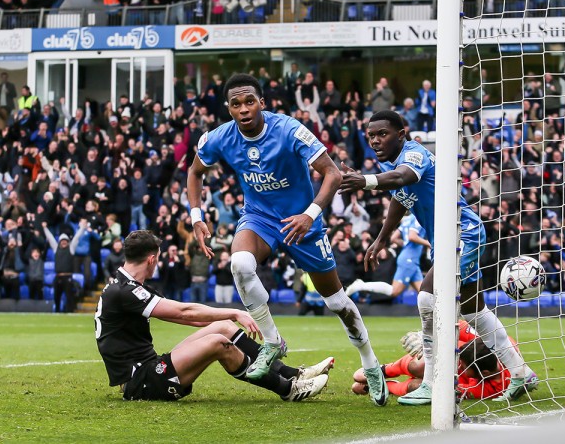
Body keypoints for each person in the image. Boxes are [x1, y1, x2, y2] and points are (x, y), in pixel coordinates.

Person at [187, 73, 389, 406]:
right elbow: (195, 172)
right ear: (228, 108)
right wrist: (196, 217)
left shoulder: (289, 129)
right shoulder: (218, 138)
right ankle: (272, 341)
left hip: (303, 222)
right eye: (236, 104)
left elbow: (333, 173)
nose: (243, 109)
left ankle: (370, 363)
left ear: (261, 103)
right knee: (239, 262)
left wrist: (310, 214)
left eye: (249, 101)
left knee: (337, 303)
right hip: (259, 219)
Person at [340, 110, 535, 404]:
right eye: (371, 136)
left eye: (383, 134)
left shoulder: (413, 154)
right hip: (448, 237)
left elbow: (402, 178)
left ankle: (431, 381)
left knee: (426, 298)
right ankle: (521, 372)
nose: (376, 140)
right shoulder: (389, 162)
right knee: (474, 312)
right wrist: (381, 239)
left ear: (401, 134)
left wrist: (366, 181)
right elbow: (399, 197)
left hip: (463, 235)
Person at [95, 230, 333, 402]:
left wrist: (228, 318)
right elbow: (184, 313)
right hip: (142, 381)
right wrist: (235, 311)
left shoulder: (126, 285)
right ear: (152, 258)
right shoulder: (126, 290)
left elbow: (188, 317)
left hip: (150, 367)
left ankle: (293, 373)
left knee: (224, 328)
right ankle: (288, 389)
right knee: (219, 344)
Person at [351, 321, 518, 400]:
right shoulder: (500, 341)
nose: (460, 365)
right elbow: (455, 325)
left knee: (423, 387)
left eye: (465, 366)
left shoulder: (496, 387)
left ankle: (384, 386)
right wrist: (425, 338)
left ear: (485, 373)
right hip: (449, 352)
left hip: (455, 378)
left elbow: (453, 390)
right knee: (420, 365)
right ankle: (383, 370)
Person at [345, 213, 427, 300]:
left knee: (425, 293)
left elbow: (393, 238)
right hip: (409, 259)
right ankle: (362, 285)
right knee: (394, 291)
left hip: (409, 258)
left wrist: (406, 245)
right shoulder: (418, 217)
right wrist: (429, 244)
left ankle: (432, 313)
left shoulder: (409, 219)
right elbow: (412, 236)